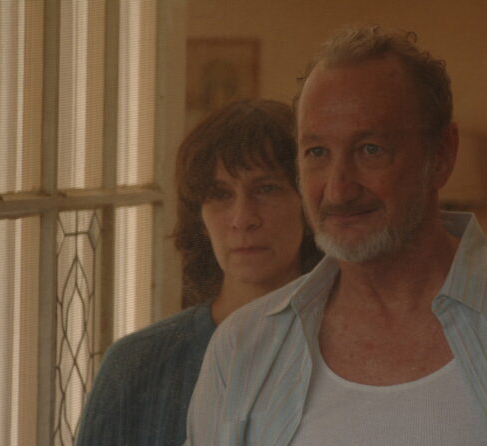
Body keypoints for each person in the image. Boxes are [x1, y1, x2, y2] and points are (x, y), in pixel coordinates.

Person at [186, 26, 487, 445]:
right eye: (317, 152)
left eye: (370, 149)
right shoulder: (243, 350)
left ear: (441, 156)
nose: (338, 189)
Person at [75, 99, 321, 446]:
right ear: (200, 218)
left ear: (308, 205)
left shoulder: (347, 353)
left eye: (266, 189)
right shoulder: (137, 365)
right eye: (221, 194)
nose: (242, 218)